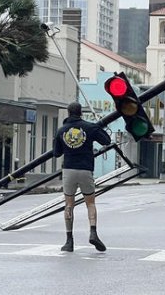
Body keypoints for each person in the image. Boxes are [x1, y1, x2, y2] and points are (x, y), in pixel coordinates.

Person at [53, 102, 111, 253]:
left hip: (69, 170)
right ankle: (93, 232)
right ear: (80, 113)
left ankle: (69, 240)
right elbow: (106, 140)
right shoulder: (90, 127)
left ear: (68, 112)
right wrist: (98, 128)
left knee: (69, 204)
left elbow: (56, 153)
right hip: (85, 169)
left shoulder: (61, 131)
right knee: (90, 203)